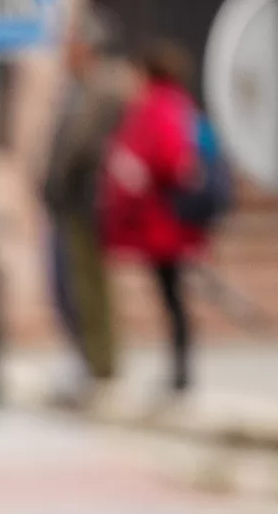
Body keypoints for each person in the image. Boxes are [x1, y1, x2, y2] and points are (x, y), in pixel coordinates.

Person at [100, 40, 204, 397]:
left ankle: (181, 372)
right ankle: (178, 370)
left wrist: (139, 171)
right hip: (160, 221)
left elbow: (172, 159)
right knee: (171, 296)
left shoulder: (162, 106)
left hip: (165, 222)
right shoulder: (165, 105)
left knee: (172, 296)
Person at [40, 13, 130, 402]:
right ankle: (85, 359)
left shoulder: (106, 85)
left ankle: (101, 365)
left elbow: (83, 144)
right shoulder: (75, 87)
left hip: (87, 201)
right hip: (66, 203)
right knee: (66, 286)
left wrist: (59, 178)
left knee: (89, 287)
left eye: (72, 44)